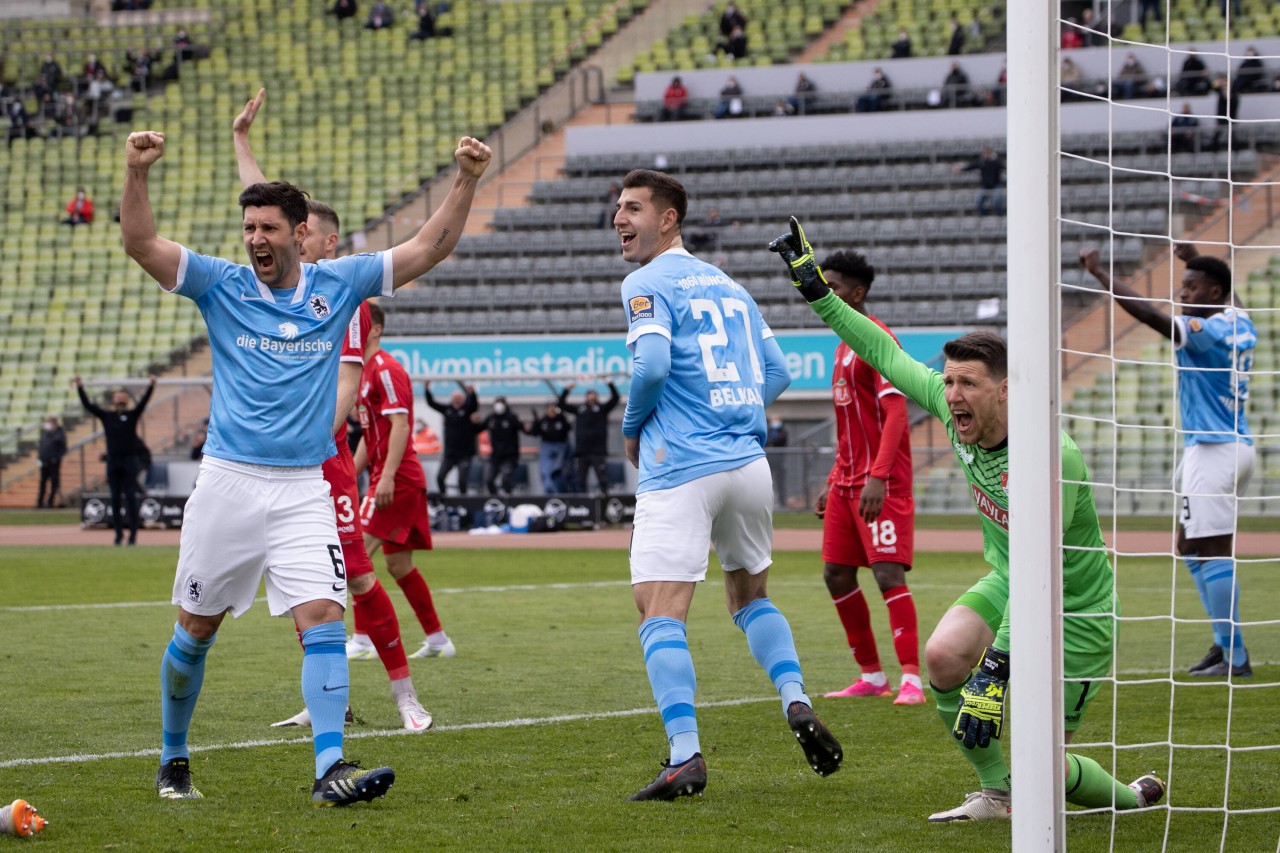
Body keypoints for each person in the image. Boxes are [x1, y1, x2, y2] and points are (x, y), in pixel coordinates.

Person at [119, 111, 488, 804]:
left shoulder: (337, 284)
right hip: (228, 483)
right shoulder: (220, 283)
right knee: (195, 630)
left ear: (299, 235)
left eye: (268, 228)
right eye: (249, 228)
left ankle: (328, 771)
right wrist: (137, 171)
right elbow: (139, 240)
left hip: (302, 488)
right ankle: (173, 758)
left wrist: (466, 179)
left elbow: (427, 247)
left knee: (322, 616)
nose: (255, 238)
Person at [769, 216, 1166, 821]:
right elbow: (879, 348)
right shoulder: (947, 403)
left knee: (1045, 765)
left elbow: (1043, 572)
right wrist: (816, 290)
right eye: (948, 381)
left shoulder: (1049, 455)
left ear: (1004, 391)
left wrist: (997, 671)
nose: (951, 394)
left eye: (968, 384)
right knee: (945, 658)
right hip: (1010, 582)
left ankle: (1129, 799)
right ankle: (998, 795)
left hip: (1074, 607)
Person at [614, 170, 842, 801]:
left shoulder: (645, 281)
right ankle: (795, 698)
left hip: (681, 467)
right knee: (748, 598)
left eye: (633, 208)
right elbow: (779, 372)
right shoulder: (731, 286)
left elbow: (653, 364)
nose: (619, 219)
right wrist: (731, 411)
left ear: (669, 219)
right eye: (617, 208)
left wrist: (634, 428)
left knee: (659, 611)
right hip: (747, 465)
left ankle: (685, 755)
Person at [232, 89, 433, 733]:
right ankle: (332, 700)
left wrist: (318, 440)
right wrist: (241, 140)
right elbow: (257, 201)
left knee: (364, 581)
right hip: (272, 464)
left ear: (321, 238)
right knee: (298, 591)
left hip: (324, 461)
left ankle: (406, 697)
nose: (279, 237)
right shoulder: (274, 287)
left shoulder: (345, 295)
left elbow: (348, 390)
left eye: (300, 229)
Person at [1080, 243, 1255, 678]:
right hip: (1228, 446)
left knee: (1213, 548)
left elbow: (1150, 317)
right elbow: (1232, 296)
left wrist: (1101, 274)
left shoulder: (1206, 331)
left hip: (1214, 449)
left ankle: (1235, 656)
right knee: (1187, 545)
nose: (1183, 295)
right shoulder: (1240, 319)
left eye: (1192, 288)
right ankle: (1223, 644)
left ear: (1214, 293)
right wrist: (1195, 258)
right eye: (1183, 287)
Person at [806, 250, 922, 705]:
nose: (826, 293)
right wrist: (834, 478)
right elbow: (851, 426)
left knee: (888, 573)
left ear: (858, 292)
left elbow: (896, 415)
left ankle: (912, 677)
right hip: (846, 481)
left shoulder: (876, 339)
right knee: (836, 575)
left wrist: (878, 477)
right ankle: (872, 676)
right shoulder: (840, 345)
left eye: (832, 287)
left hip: (881, 483)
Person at [353, 304, 457, 661]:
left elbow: (400, 425)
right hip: (391, 478)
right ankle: (439, 640)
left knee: (356, 556)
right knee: (398, 565)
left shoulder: (384, 369)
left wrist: (388, 478)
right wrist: (352, 474)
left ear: (376, 329)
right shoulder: (363, 372)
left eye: (360, 322)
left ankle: (362, 639)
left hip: (397, 480)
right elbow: (371, 433)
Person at [75, 375, 155, 545]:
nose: (120, 401)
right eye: (117, 398)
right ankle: (118, 535)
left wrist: (151, 385)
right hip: (113, 461)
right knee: (115, 498)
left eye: (122, 399)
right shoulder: (107, 416)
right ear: (113, 400)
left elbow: (143, 402)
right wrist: (80, 387)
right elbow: (89, 405)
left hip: (129, 461)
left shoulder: (132, 415)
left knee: (131, 497)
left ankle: (133, 535)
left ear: (126, 401)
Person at [558, 381, 619, 496]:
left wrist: (610, 384)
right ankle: (583, 504)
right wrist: (567, 390)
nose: (591, 397)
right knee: (581, 480)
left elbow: (616, 398)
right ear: (586, 397)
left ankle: (605, 501)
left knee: (602, 479)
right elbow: (562, 404)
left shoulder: (602, 409)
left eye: (593, 395)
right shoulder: (580, 409)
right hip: (582, 451)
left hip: (598, 451)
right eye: (589, 395)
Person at [424, 380, 479, 495]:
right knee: (440, 477)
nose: (457, 401)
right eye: (455, 399)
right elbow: (432, 403)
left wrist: (472, 393)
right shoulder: (447, 410)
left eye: (459, 399)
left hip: (465, 453)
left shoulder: (467, 410)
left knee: (462, 480)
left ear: (463, 400)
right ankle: (444, 498)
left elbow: (474, 404)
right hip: (450, 453)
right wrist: (427, 390)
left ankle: (463, 503)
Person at [479, 396, 523, 495]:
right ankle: (495, 500)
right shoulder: (491, 418)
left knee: (505, 480)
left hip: (509, 455)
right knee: (489, 480)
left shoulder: (511, 417)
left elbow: (524, 429)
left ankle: (509, 501)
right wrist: (474, 420)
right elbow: (477, 428)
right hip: (495, 456)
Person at [526, 399, 572, 493]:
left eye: (553, 407)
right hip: (546, 446)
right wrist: (535, 422)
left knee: (559, 472)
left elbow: (568, 429)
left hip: (560, 446)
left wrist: (563, 416)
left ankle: (562, 493)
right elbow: (534, 433)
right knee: (546, 471)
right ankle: (549, 492)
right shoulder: (543, 420)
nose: (551, 410)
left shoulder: (561, 419)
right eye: (549, 408)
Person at [952, 146, 1005, 216]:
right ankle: (984, 215)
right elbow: (971, 166)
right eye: (984, 153)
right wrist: (960, 169)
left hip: (995, 185)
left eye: (987, 153)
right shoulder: (981, 162)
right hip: (985, 185)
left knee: (996, 200)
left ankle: (999, 215)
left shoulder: (996, 162)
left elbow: (1005, 167)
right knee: (979, 201)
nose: (985, 154)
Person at [36, 416, 67, 509]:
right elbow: (41, 447)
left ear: (54, 423)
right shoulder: (45, 434)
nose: (48, 425)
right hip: (44, 462)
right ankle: (40, 502)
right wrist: (39, 458)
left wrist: (56, 458)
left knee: (54, 482)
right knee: (43, 483)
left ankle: (50, 502)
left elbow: (63, 449)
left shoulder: (60, 434)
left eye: (49, 423)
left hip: (53, 463)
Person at [1210, 74, 1238, 153]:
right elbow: (1213, 86)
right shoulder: (1220, 91)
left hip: (1231, 116)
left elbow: (1235, 104)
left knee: (1233, 135)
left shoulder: (1234, 92)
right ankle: (1214, 150)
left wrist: (1230, 98)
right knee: (1218, 133)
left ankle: (1235, 150)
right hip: (1221, 116)